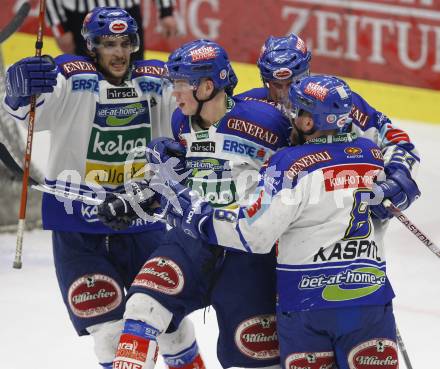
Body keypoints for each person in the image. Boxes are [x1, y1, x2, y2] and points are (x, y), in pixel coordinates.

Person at [3, 7, 203, 369]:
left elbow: (199, 115)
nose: (119, 52)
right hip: (78, 228)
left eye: (126, 43)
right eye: (109, 44)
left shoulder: (156, 79)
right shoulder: (70, 76)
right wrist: (17, 90)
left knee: (172, 326)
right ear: (91, 46)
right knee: (109, 337)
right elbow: (26, 108)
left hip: (143, 220)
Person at [160, 75, 401, 369]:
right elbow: (393, 177)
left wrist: (198, 217)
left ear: (310, 122)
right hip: (369, 299)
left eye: (296, 110)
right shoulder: (373, 156)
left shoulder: (289, 163)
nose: (289, 116)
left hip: (306, 305)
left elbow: (255, 234)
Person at [96, 39, 292, 369]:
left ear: (207, 85)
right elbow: (188, 179)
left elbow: (305, 171)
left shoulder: (268, 123)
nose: (175, 93)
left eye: (181, 84)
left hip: (247, 256)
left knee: (253, 360)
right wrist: (144, 195)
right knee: (142, 307)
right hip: (191, 241)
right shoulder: (180, 122)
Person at [237, 33, 420, 220]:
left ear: (306, 73)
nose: (284, 94)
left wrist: (397, 176)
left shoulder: (336, 102)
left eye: (292, 83)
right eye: (276, 85)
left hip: (338, 223)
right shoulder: (247, 107)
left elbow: (397, 141)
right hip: (273, 217)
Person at [46, 0, 178, 59]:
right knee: (88, 76)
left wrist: (166, 11)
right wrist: (59, 27)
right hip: (82, 16)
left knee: (133, 72)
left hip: (127, 12)